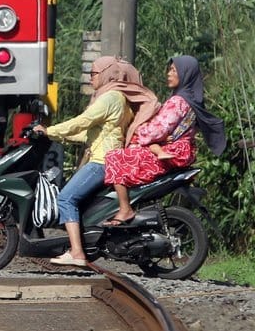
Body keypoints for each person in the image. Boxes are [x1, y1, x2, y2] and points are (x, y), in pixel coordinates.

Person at [32, 56, 159, 266]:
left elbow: (83, 121)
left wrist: (50, 129)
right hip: (106, 157)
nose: (90, 77)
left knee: (65, 198)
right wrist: (52, 135)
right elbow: (89, 135)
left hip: (101, 162)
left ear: (108, 73)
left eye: (94, 73)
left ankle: (77, 252)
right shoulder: (120, 98)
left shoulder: (110, 97)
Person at [102, 55, 226, 226]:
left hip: (169, 153)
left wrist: (136, 130)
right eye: (169, 69)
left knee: (114, 158)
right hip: (178, 151)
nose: (169, 74)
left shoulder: (178, 101)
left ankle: (125, 209)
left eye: (174, 70)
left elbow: (157, 130)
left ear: (185, 74)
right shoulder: (191, 99)